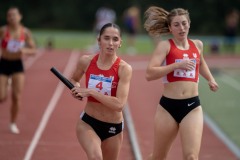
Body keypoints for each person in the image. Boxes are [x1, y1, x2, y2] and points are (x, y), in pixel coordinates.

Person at [144, 6, 219, 160]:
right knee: (159, 157)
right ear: (170, 28)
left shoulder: (197, 45)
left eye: (184, 23)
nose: (181, 28)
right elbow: (149, 74)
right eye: (176, 25)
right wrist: (176, 65)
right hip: (168, 108)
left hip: (192, 107)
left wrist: (211, 79)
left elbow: (201, 63)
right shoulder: (165, 46)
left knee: (191, 157)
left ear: (189, 24)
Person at [70, 23, 132, 159]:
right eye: (106, 38)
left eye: (115, 39)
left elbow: (119, 105)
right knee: (96, 157)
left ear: (120, 42)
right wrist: (75, 89)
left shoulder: (124, 68)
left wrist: (90, 92)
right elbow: (74, 80)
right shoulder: (85, 61)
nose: (110, 43)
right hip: (88, 123)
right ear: (99, 40)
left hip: (113, 128)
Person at [0, 7, 36, 134]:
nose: (12, 17)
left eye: (14, 15)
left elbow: (33, 50)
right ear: (7, 18)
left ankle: (12, 123)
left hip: (17, 65)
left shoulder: (25, 32)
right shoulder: (3, 31)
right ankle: (6, 83)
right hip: (4, 63)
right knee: (2, 96)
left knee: (16, 96)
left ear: (20, 17)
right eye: (9, 15)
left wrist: (25, 50)